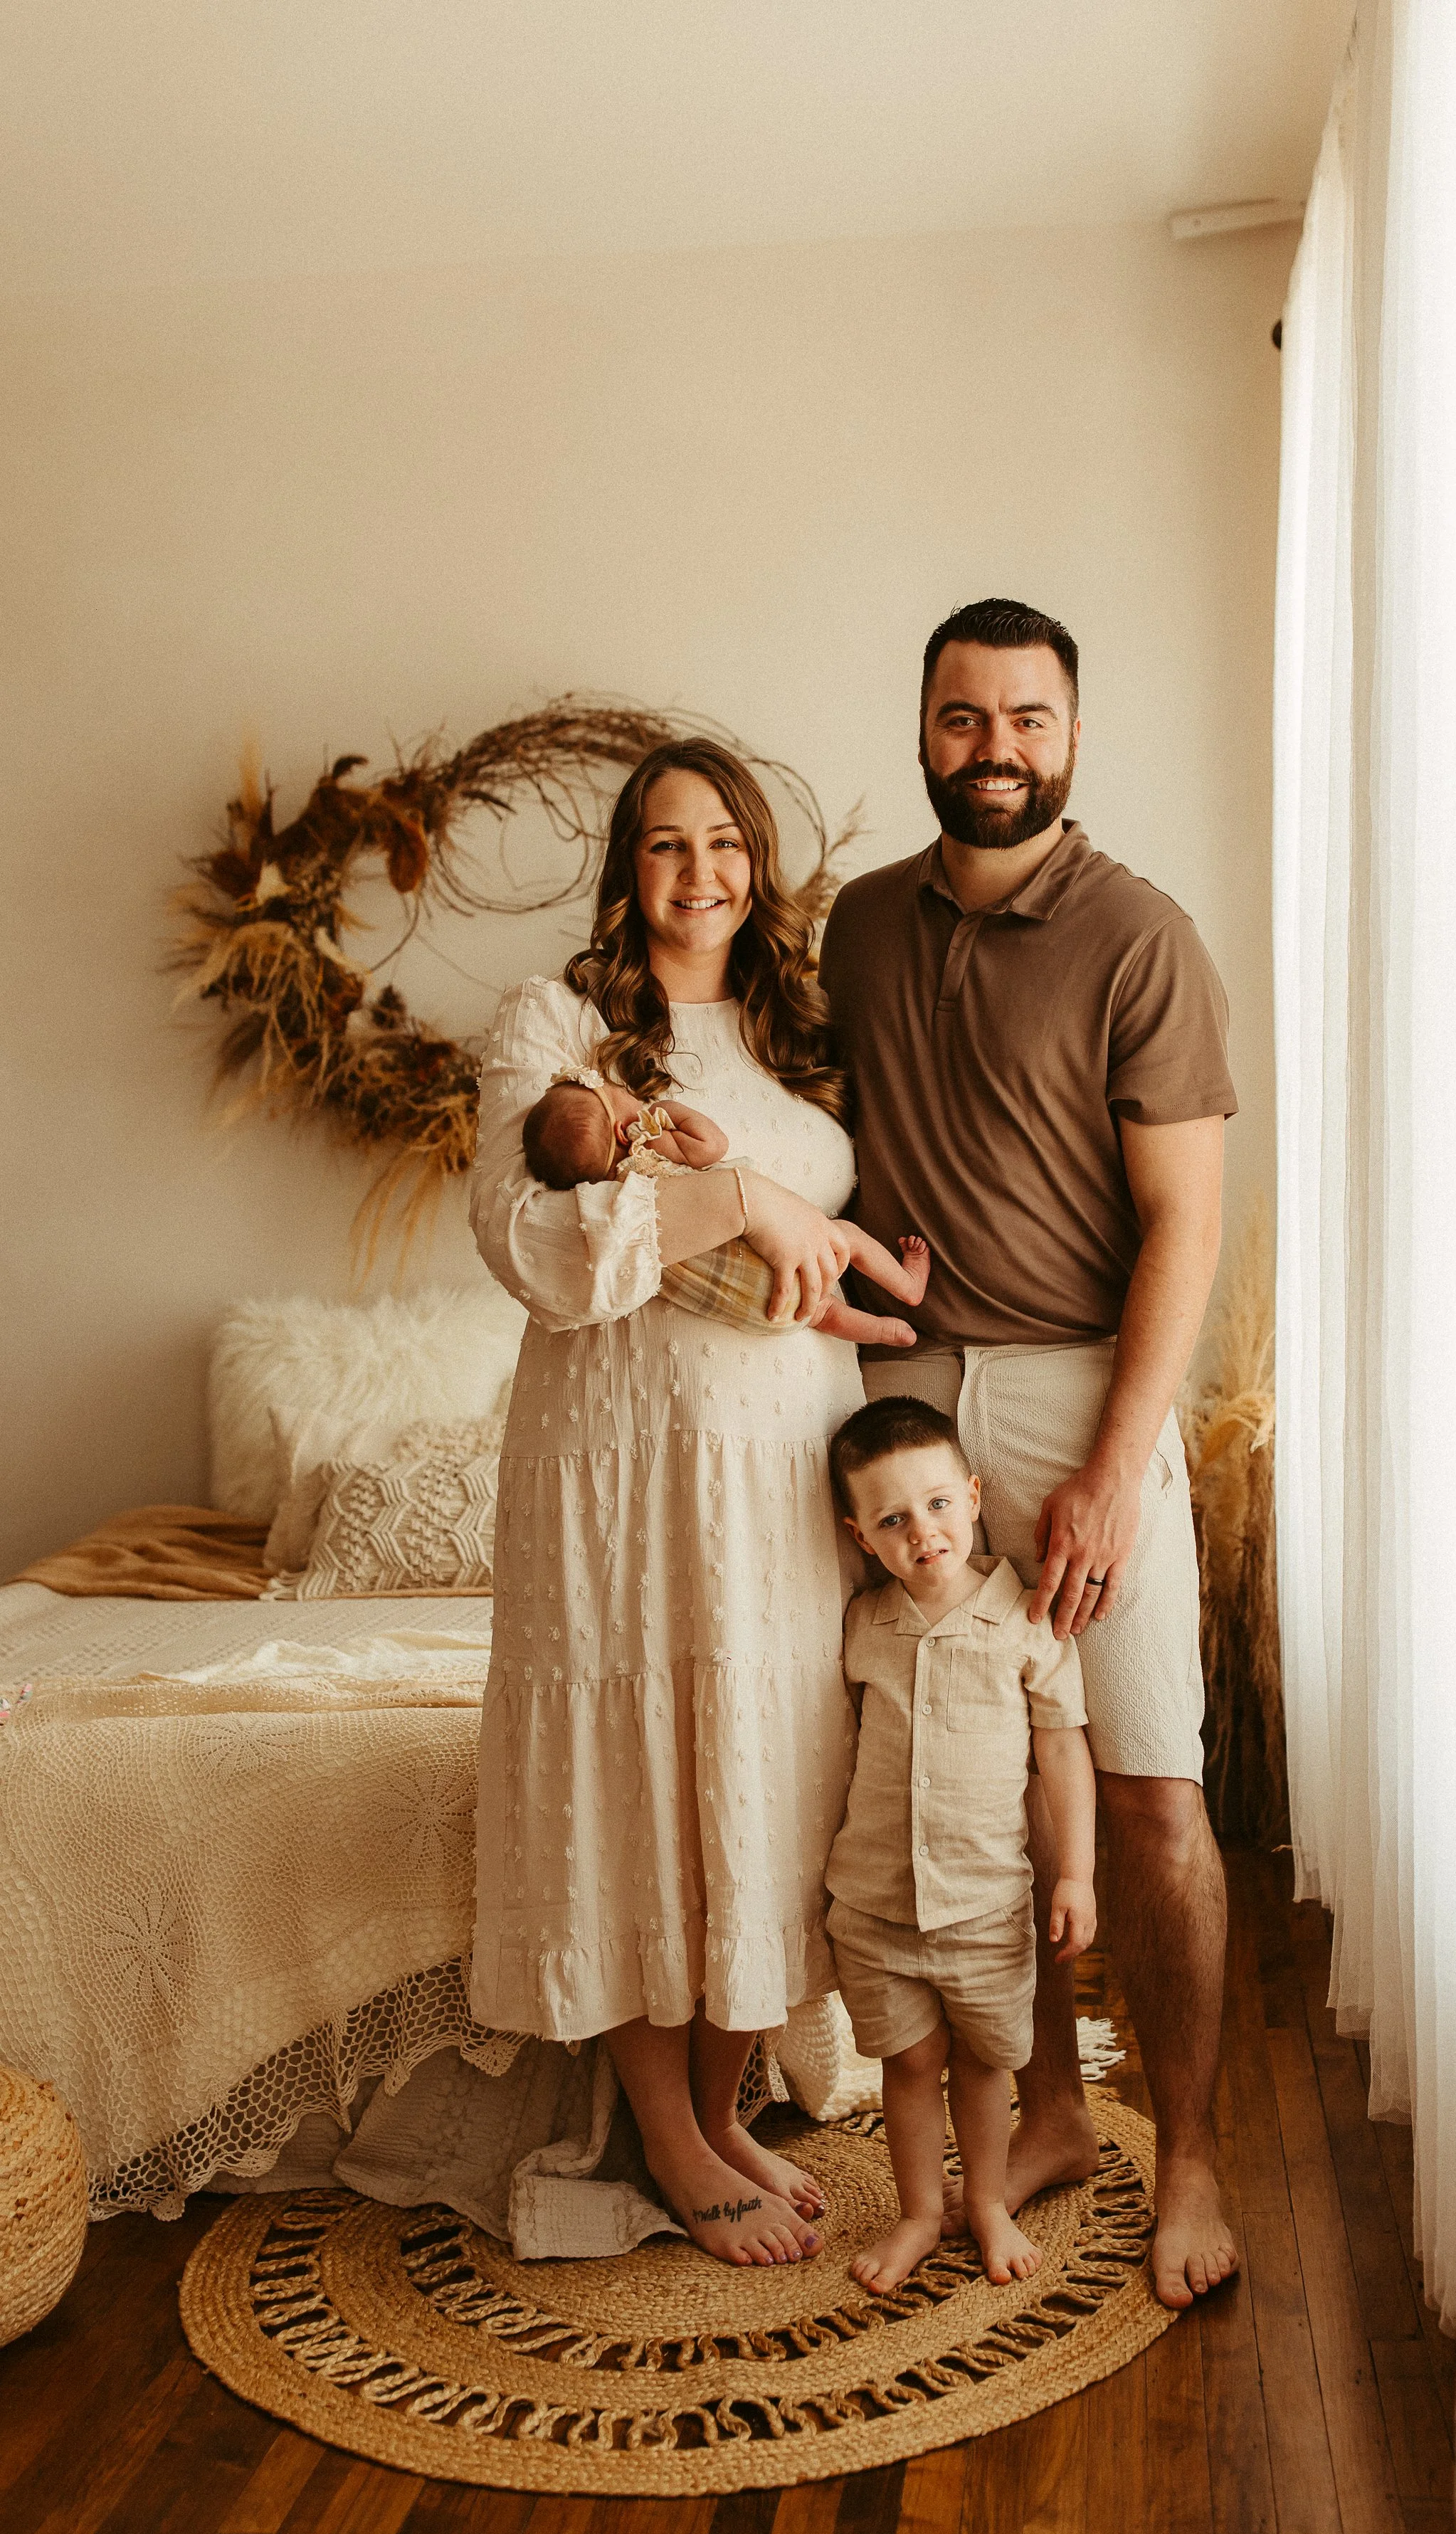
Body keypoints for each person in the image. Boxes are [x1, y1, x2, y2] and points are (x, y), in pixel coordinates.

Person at [818, 596, 1242, 2308]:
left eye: (1026, 718)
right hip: (904, 1403)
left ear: (1072, 732)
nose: (994, 747)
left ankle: (1189, 2149)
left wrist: (1118, 1459)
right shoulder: (852, 927)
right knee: (971, 1778)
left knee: (1143, 1785)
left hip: (1085, 1392)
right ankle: (1050, 2113)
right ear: (922, 725)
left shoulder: (1143, 937)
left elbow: (1187, 1228)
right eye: (963, 715)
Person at [469, 736, 867, 2269]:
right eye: (663, 846)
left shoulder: (801, 1029)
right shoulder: (552, 1022)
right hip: (617, 1453)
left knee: (766, 1758)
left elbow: (846, 1224)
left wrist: (769, 1200)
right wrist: (746, 1199)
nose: (697, 873)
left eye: (723, 844)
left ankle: (715, 2114)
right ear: (625, 869)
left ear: (754, 865)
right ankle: (664, 2133)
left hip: (778, 1453)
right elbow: (531, 1240)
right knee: (628, 1756)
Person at [822, 1396, 1097, 2296]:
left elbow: (1061, 1748)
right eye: (893, 1520)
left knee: (984, 2063)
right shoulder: (865, 1625)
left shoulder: (1025, 1620)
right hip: (874, 1903)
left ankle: (985, 2202)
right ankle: (917, 2212)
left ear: (973, 1497)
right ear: (861, 1536)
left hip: (984, 1903)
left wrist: (1080, 1876)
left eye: (938, 1505)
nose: (922, 1532)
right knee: (907, 2064)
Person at [519, 1077, 932, 1348]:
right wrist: (668, 1113)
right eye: (611, 1091)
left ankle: (882, 1331)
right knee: (843, 1234)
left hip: (743, 1300)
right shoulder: (650, 1149)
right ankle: (908, 1286)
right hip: (764, 1248)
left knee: (819, 1313)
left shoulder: (612, 1203)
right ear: (619, 1130)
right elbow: (712, 1146)